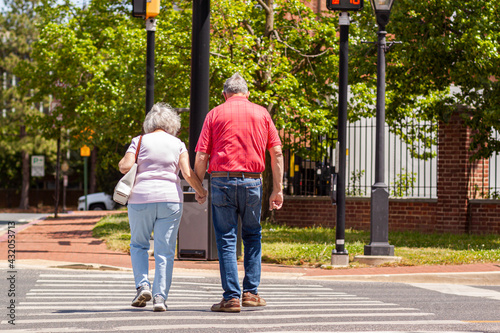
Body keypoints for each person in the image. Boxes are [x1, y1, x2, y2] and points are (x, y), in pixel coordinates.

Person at [194, 73, 284, 313]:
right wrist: (278, 188)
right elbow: (276, 153)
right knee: (253, 236)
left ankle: (232, 298)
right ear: (247, 94)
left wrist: (199, 186)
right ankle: (251, 293)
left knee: (226, 239)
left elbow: (202, 155)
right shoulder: (262, 113)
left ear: (224, 95)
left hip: (221, 182)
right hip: (253, 182)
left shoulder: (214, 114)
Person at [118, 102, 207, 312]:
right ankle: (159, 297)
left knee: (139, 245)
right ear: (172, 124)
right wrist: (201, 191)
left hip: (140, 199)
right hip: (169, 200)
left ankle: (142, 286)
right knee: (164, 251)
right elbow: (186, 174)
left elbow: (124, 167)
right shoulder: (178, 144)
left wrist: (133, 157)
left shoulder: (138, 141)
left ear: (149, 123)